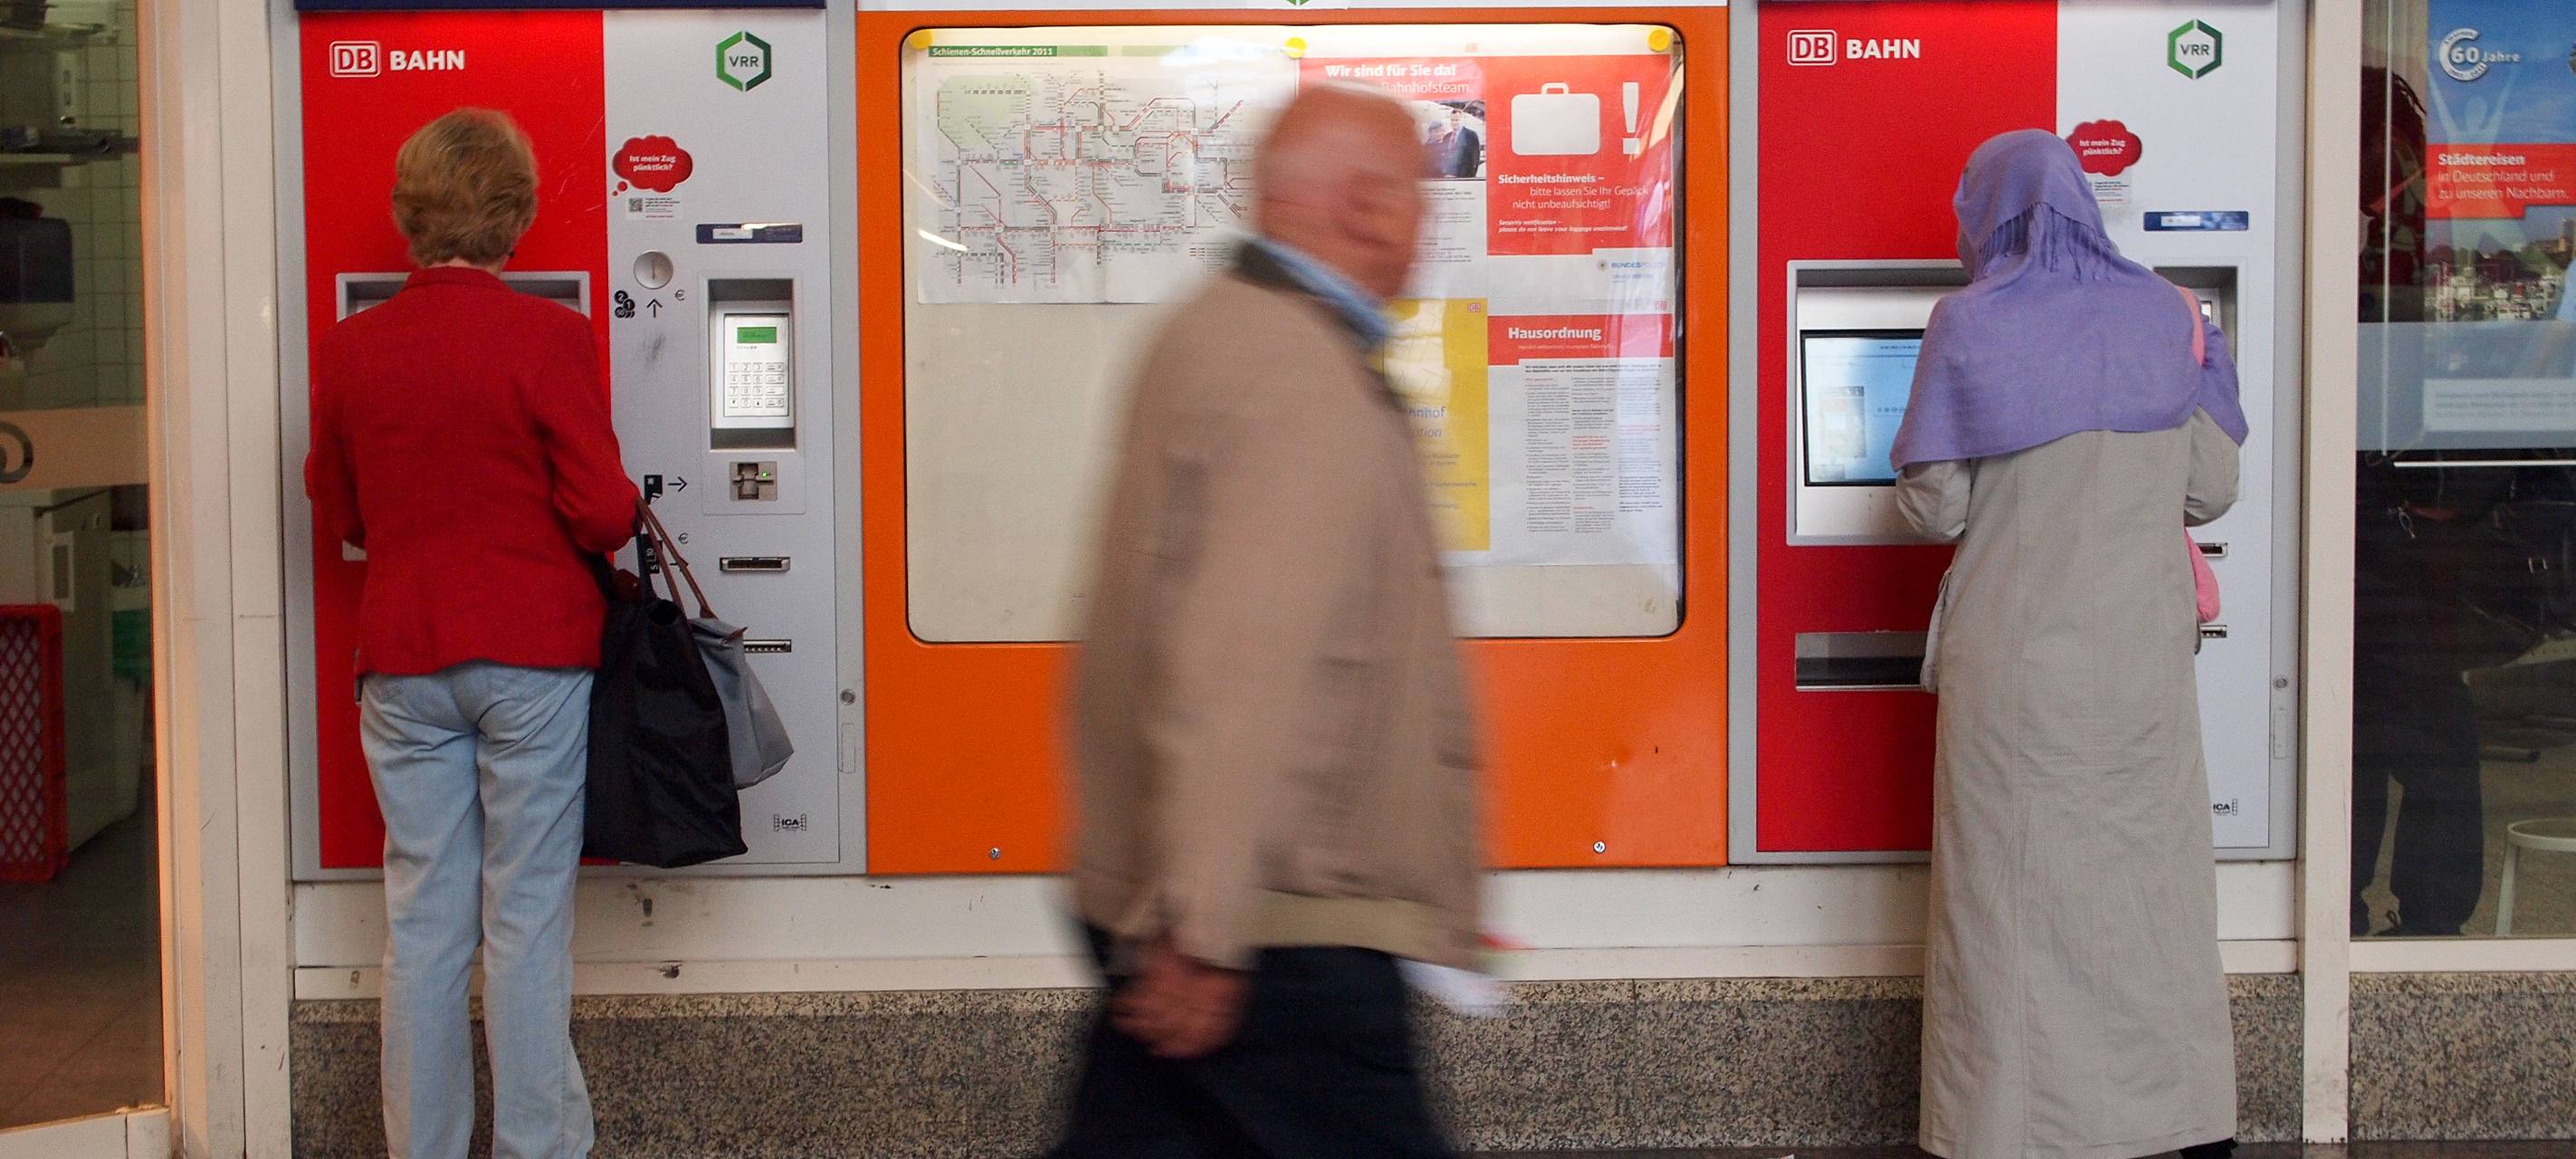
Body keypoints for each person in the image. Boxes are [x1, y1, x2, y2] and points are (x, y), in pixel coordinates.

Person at [1053, 82, 1479, 1158]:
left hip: (1208, 891)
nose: (1425, 227)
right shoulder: (1299, 371)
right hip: (1281, 915)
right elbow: (1239, 658)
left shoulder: (1214, 327)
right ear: (1368, 207)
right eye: (1420, 198)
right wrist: (1201, 923)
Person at [1890, 129, 2247, 1159]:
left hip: (2013, 668)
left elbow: (1932, 506)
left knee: (2003, 904)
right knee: (2151, 894)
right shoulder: (2172, 314)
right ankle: (2177, 1120)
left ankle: (2001, 1128)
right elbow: (2211, 488)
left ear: (1985, 214)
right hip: (2139, 664)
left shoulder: (1966, 321)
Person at [305, 108, 637, 1159]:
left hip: (404, 657)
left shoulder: (351, 348)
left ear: (409, 215)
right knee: (525, 920)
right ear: (516, 217)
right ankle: (536, 1145)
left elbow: (339, 508)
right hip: (532, 656)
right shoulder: (548, 337)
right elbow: (602, 512)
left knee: (422, 923)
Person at [1428, 105, 1483, 179]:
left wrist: (1465, 177)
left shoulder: (1471, 135)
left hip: (1464, 179)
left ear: (1462, 121)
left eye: (1457, 120)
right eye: (1452, 120)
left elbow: (1474, 160)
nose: (1454, 123)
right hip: (1448, 178)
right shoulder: (1447, 137)